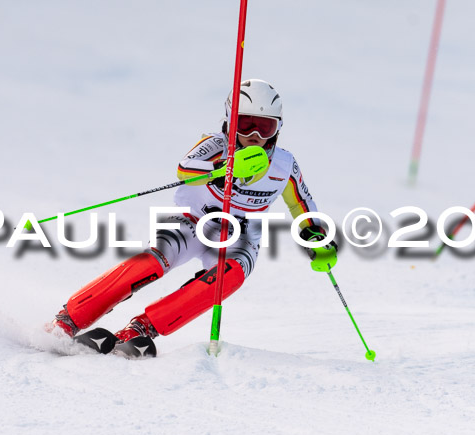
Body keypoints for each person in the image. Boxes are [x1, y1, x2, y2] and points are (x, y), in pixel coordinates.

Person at [49, 79, 338, 351]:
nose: (255, 137)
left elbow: (302, 204)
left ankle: (140, 330)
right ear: (229, 121)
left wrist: (315, 236)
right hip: (192, 222)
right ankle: (69, 319)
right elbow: (185, 168)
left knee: (230, 277)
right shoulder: (216, 145)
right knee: (153, 262)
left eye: (265, 127)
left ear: (278, 128)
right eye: (246, 124)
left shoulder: (284, 165)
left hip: (239, 236)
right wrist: (222, 170)